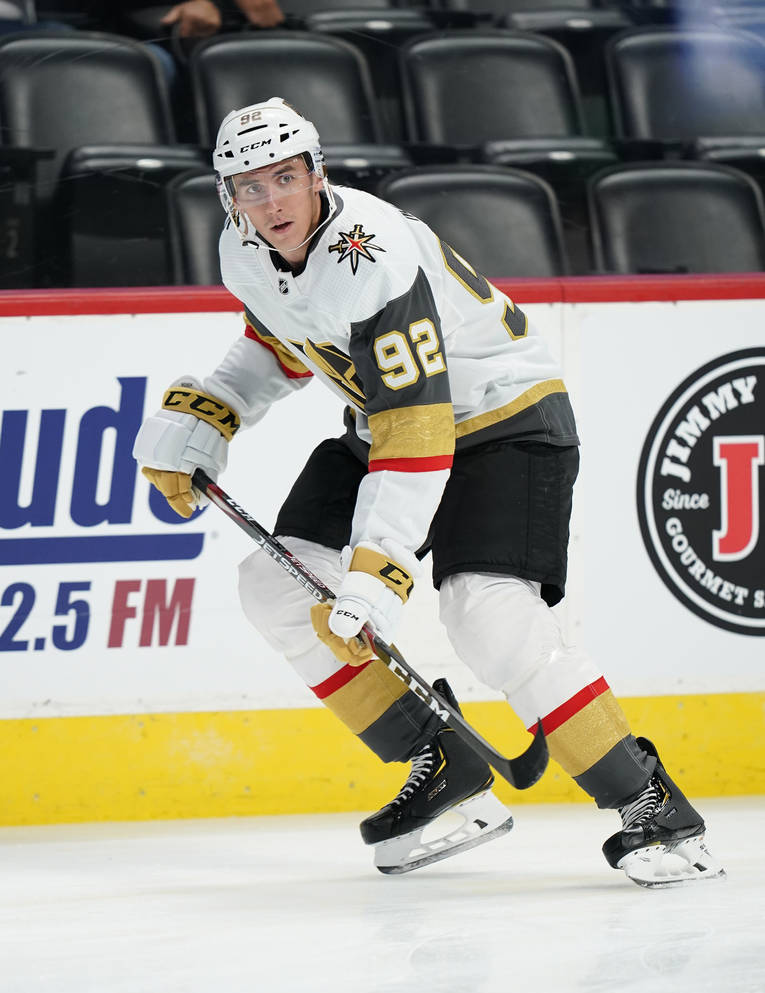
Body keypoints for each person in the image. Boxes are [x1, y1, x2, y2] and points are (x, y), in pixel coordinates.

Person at [133, 97, 725, 885]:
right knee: (274, 587)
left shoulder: (369, 248)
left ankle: (648, 804)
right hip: (388, 422)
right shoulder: (243, 251)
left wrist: (379, 572)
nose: (270, 200)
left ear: (316, 172)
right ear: (226, 197)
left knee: (484, 611)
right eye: (249, 186)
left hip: (506, 420)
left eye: (284, 177)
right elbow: (283, 344)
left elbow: (420, 429)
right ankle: (439, 762)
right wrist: (213, 412)